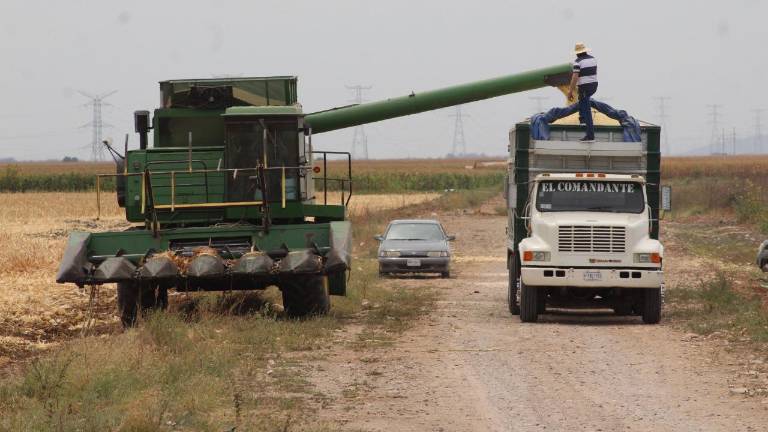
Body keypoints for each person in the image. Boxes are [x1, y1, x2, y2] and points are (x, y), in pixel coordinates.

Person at [567, 42, 598, 142]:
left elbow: (575, 77)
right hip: (594, 85)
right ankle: (582, 119)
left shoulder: (577, 62)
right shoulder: (593, 59)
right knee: (582, 100)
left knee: (587, 109)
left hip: (585, 87)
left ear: (577, 53)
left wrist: (570, 91)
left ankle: (590, 135)